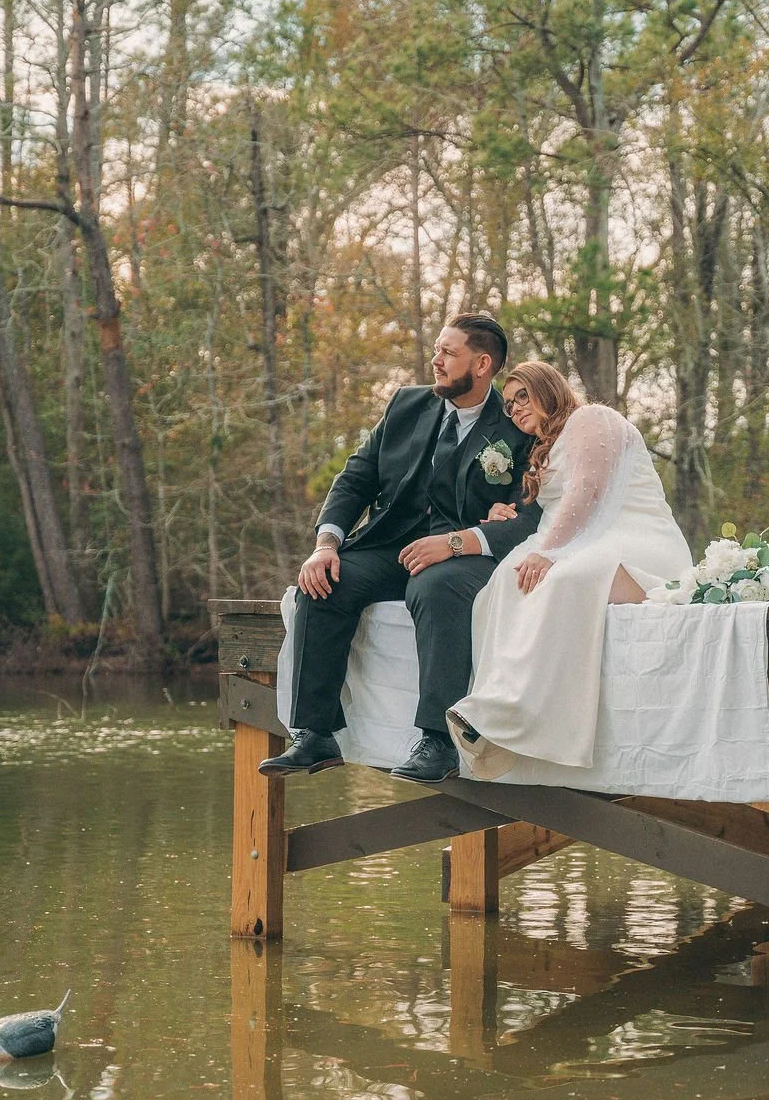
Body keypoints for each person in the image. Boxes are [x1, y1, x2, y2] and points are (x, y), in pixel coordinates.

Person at [260, 314, 546, 783]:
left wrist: (456, 543)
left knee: (436, 590)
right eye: (436, 349)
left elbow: (529, 516)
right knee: (323, 582)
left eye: (448, 353)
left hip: (462, 556)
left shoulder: (517, 425)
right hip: (390, 545)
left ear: (482, 364)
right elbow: (355, 478)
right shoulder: (405, 405)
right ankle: (315, 734)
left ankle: (438, 741)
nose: (435, 360)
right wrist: (326, 543)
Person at [447, 361, 693, 778]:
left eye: (522, 395)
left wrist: (552, 553)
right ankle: (498, 710)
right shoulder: (543, 448)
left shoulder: (592, 418)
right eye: (508, 405)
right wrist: (503, 511)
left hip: (638, 544)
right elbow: (553, 509)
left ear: (548, 387)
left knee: (562, 579)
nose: (515, 408)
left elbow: (587, 491)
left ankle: (525, 716)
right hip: (586, 541)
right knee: (503, 583)